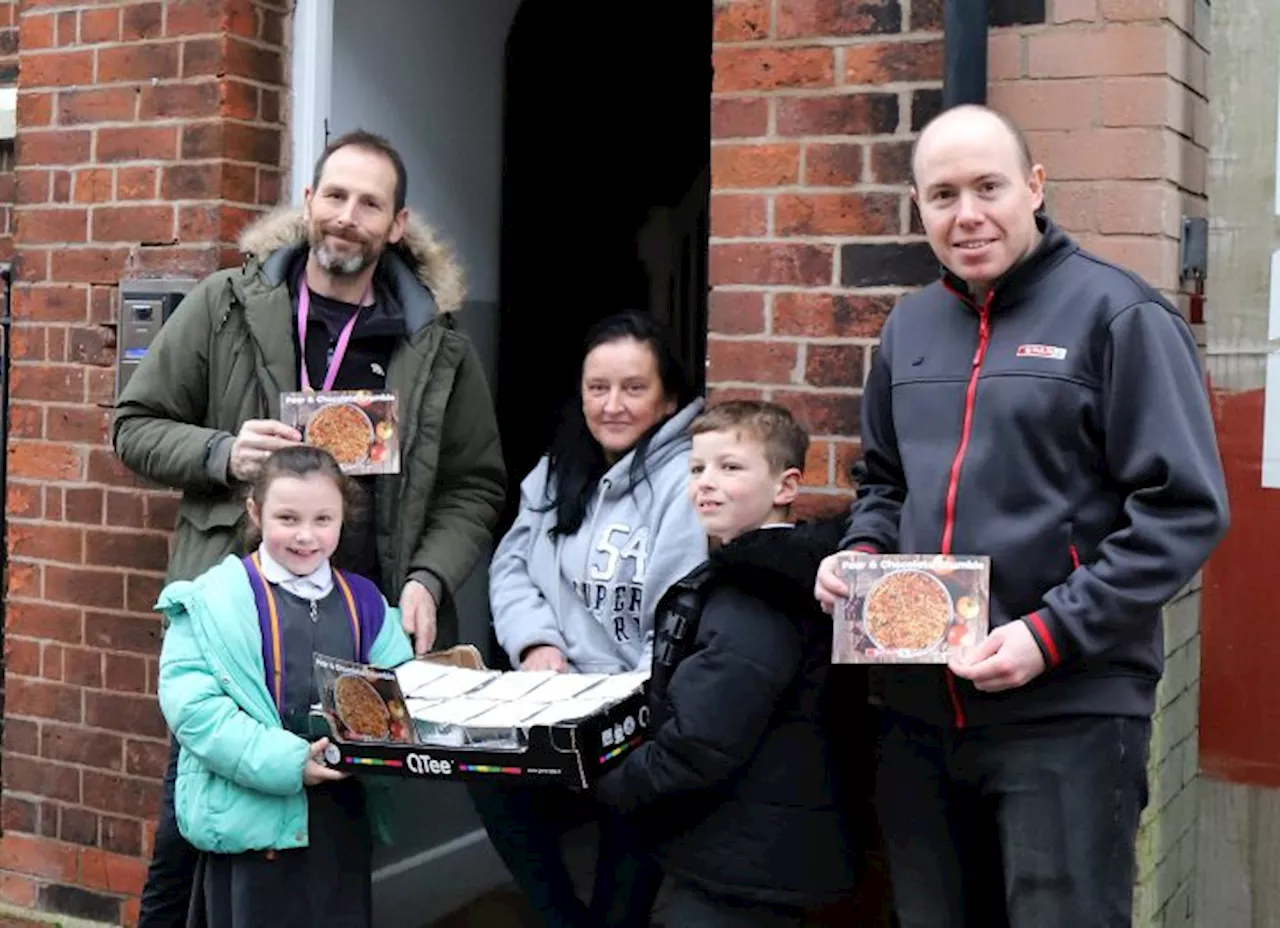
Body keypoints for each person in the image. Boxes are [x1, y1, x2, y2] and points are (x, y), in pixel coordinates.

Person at [813, 104, 1230, 928]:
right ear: (919, 208)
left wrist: (1052, 633)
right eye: (942, 195)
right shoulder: (910, 328)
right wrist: (861, 558)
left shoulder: (1120, 317)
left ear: (1035, 187)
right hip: (919, 714)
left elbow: (1183, 511)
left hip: (1068, 714)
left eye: (988, 187)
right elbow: (885, 481)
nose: (966, 215)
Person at [114, 130, 505, 926]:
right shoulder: (225, 303)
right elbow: (134, 425)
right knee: (190, 837)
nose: (347, 217)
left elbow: (476, 486)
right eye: (336, 196)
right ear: (307, 205)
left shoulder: (438, 345)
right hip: (241, 625)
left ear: (397, 225)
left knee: (334, 839)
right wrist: (223, 452)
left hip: (357, 627)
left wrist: (429, 578)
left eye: (370, 204)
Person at [472, 310, 707, 927]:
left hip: (642, 718)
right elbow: (513, 564)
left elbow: (682, 611)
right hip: (555, 702)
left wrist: (616, 702)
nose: (612, 405)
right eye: (597, 388)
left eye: (634, 388)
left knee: (622, 892)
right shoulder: (558, 468)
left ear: (669, 397)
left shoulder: (690, 481)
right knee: (487, 777)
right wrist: (536, 647)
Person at [596, 400, 867, 927]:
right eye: (697, 468)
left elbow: (700, 743)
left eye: (731, 467)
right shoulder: (762, 574)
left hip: (741, 857)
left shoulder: (758, 593)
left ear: (786, 487)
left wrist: (599, 780)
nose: (706, 483)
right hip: (750, 845)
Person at [156, 445, 414, 927]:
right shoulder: (215, 599)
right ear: (254, 511)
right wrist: (290, 762)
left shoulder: (367, 603)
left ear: (343, 519)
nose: (305, 535)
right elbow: (196, 710)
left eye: (322, 519)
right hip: (252, 826)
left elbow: (401, 691)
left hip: (339, 823)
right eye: (287, 517)